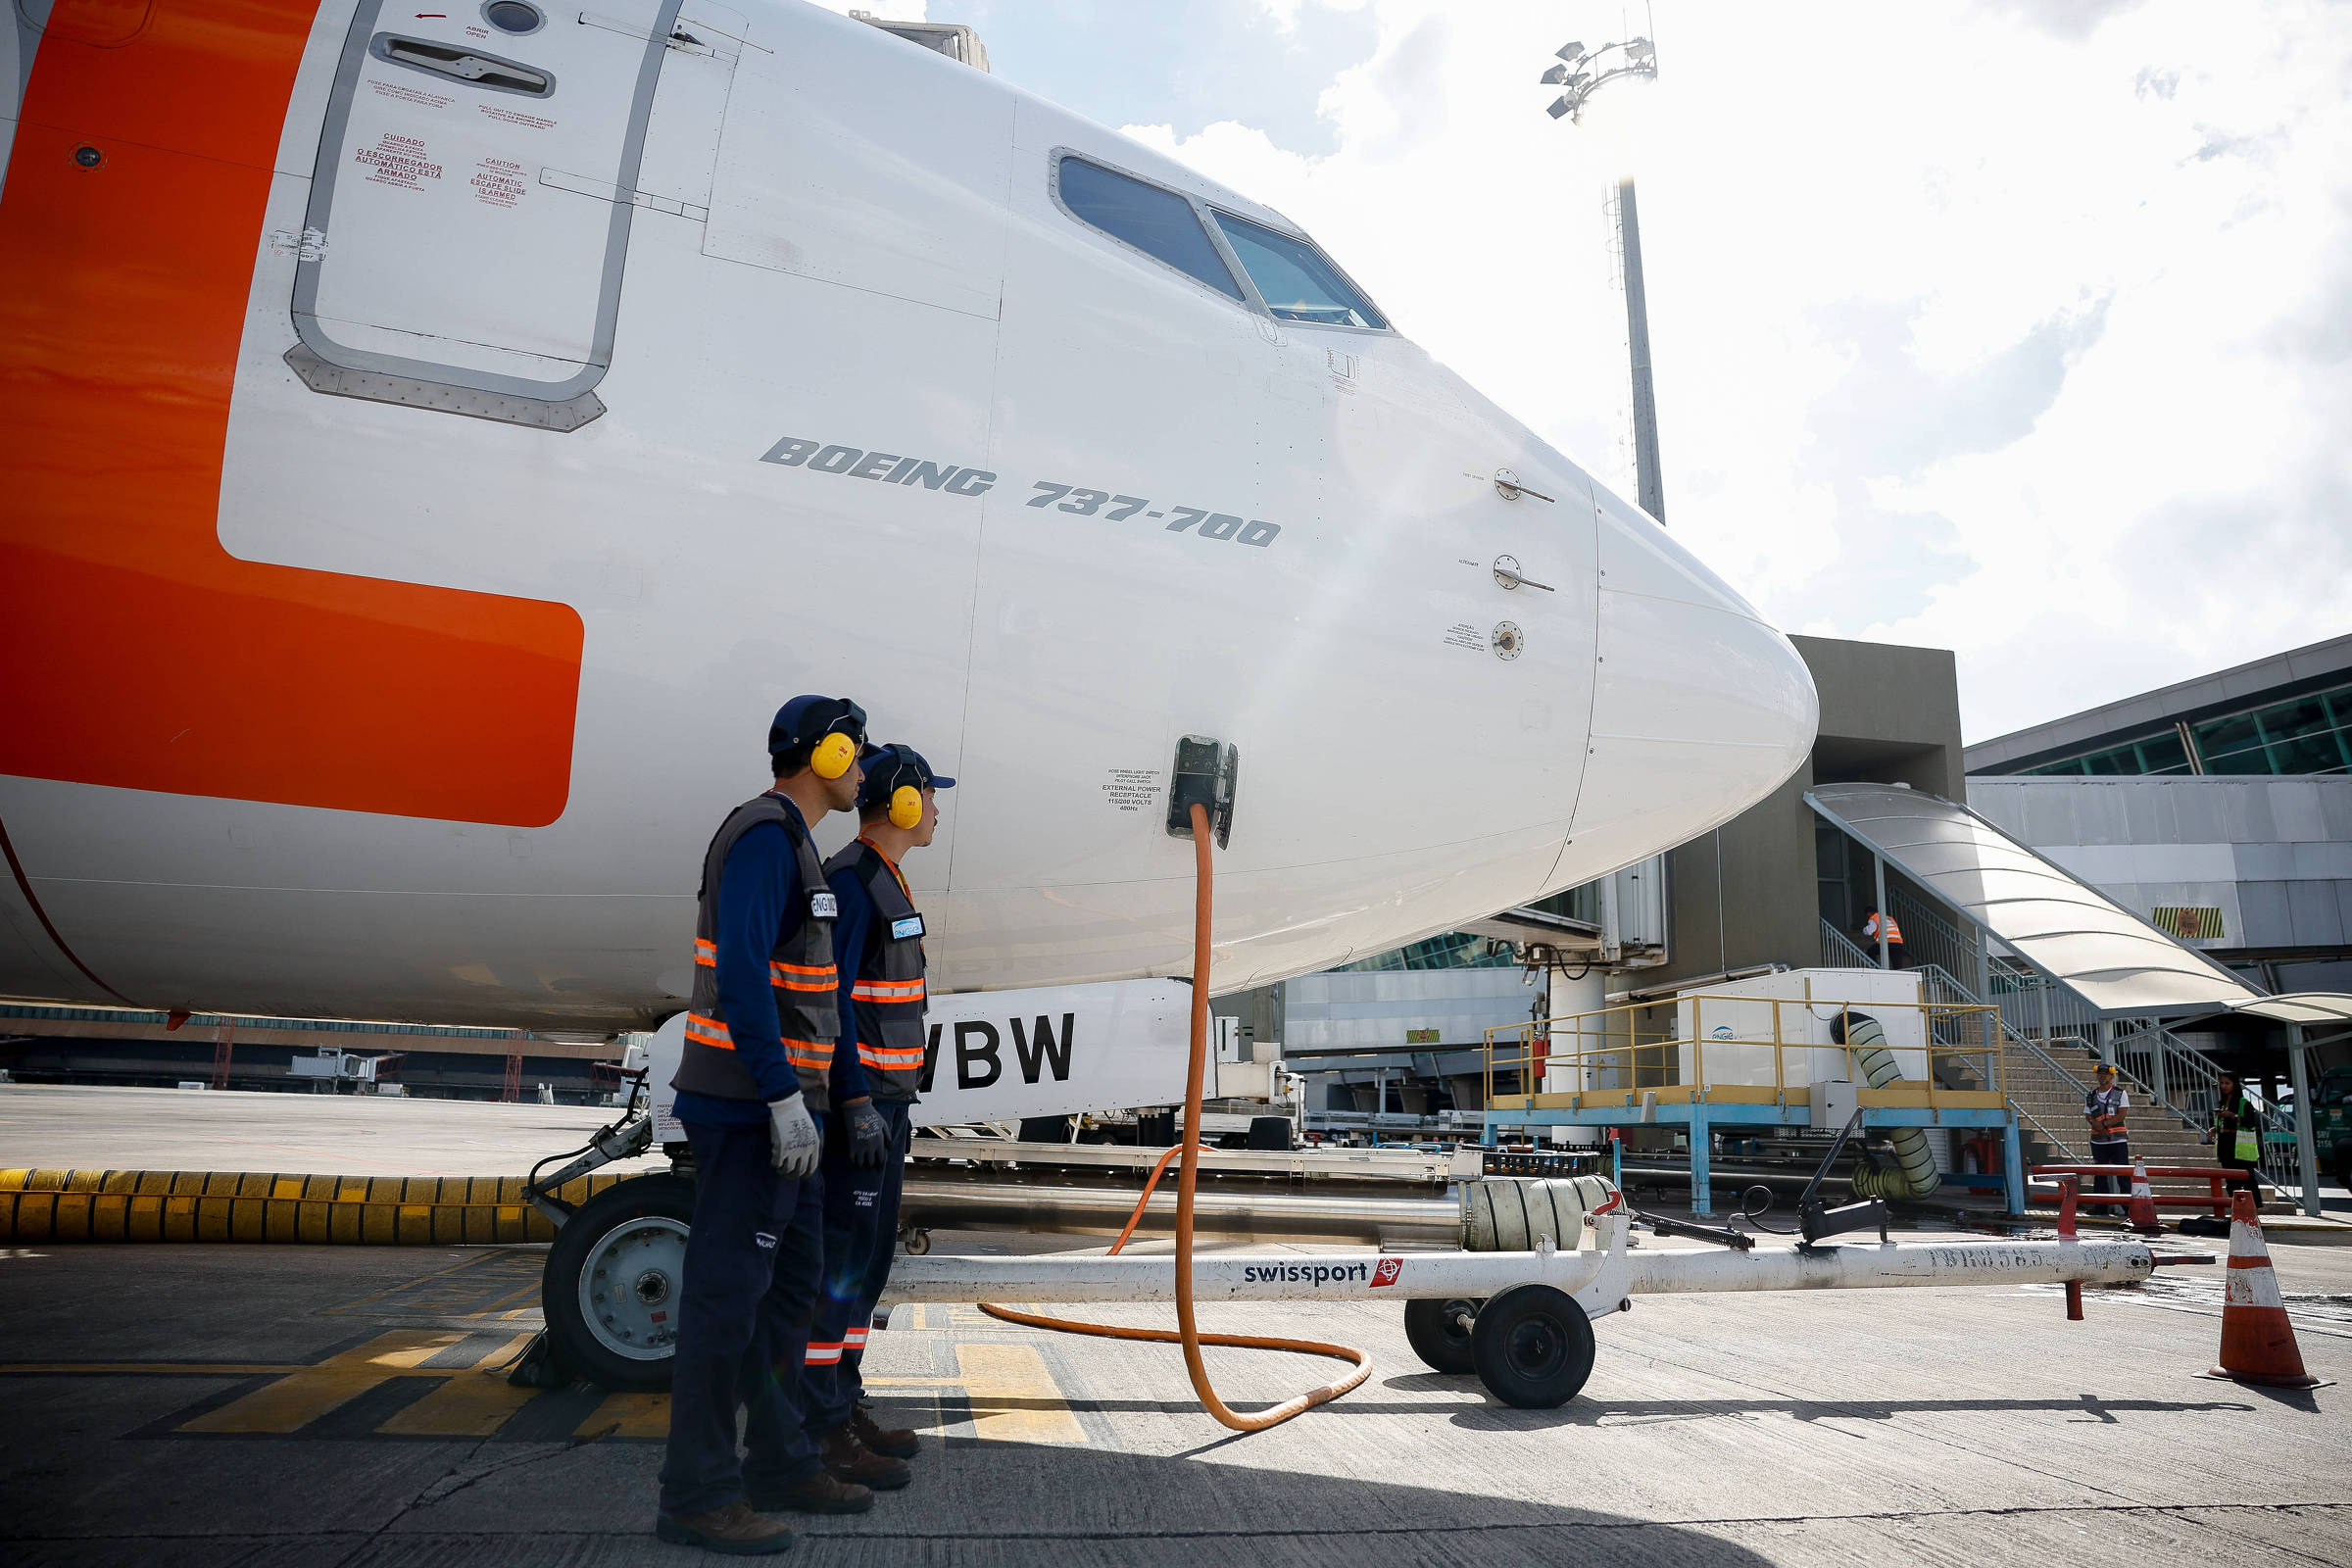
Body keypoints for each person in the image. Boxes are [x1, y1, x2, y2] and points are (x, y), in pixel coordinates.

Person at [656, 696, 878, 1555]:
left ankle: (779, 1460)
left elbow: (805, 993)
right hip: (753, 1114)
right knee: (725, 1307)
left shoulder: (796, 846)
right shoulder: (761, 837)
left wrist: (815, 1100)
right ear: (822, 755)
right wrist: (784, 1095)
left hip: (791, 1118)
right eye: (853, 753)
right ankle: (696, 1495)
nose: (863, 770)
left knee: (788, 1294)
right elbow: (741, 974)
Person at [801, 745, 952, 1476]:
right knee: (841, 1265)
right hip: (857, 1113)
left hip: (888, 1109)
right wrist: (855, 1100)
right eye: (929, 796)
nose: (937, 811)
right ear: (903, 803)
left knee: (868, 1264)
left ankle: (843, 1401)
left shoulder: (887, 881)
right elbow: (826, 1002)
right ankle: (819, 1426)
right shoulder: (854, 884)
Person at [2204, 1070, 2263, 1201]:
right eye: (2222, 1083)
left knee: (2248, 1179)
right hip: (2226, 1145)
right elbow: (2222, 1124)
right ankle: (2236, 1206)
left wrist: (2233, 1116)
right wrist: (2214, 1129)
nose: (2224, 1086)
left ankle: (2253, 1208)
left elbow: (2250, 1122)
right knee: (2230, 1180)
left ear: (2234, 1084)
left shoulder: (2244, 1103)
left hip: (2240, 1147)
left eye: (2227, 1083)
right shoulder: (2222, 1103)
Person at [2083, 1062, 2130, 1199]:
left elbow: (2122, 1114)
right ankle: (2100, 1206)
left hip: (2118, 1140)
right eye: (2100, 1074)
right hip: (2098, 1141)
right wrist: (2095, 1125)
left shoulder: (2120, 1093)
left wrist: (2103, 1125)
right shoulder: (2091, 1095)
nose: (2102, 1077)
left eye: (2106, 1074)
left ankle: (2127, 1207)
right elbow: (2088, 1114)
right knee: (2100, 1175)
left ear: (2112, 1076)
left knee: (2123, 1174)